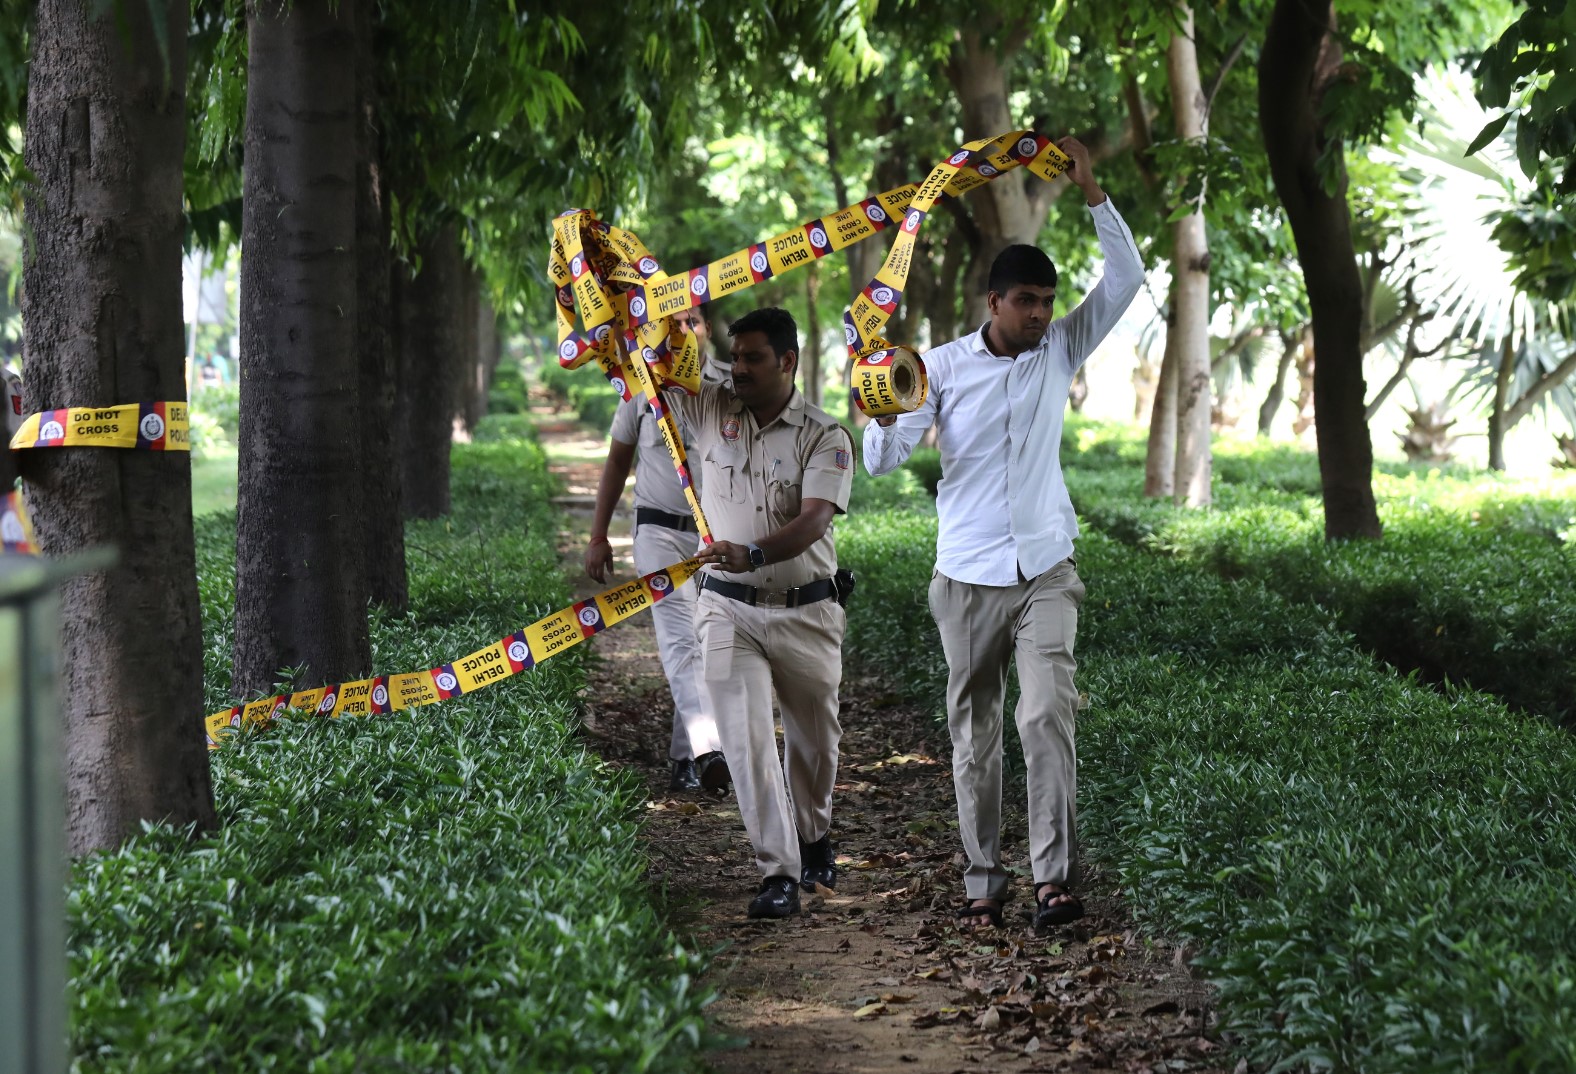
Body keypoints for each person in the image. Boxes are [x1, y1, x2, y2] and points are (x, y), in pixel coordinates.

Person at [861, 137, 1143, 931]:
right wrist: (881, 403)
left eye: (1048, 303)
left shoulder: (1061, 348)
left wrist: (1093, 193)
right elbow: (882, 462)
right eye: (1027, 302)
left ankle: (1053, 877)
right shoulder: (939, 368)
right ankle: (983, 877)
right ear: (994, 302)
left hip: (1047, 568)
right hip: (966, 576)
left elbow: (1126, 281)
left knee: (1045, 711)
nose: (1042, 315)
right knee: (975, 732)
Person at [673, 306, 854, 919]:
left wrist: (751, 552)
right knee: (748, 743)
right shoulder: (710, 408)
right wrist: (660, 313)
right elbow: (665, 362)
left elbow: (813, 521)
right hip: (727, 610)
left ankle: (813, 833)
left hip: (808, 610)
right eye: (735, 356)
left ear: (789, 361)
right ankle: (777, 869)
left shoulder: (825, 435)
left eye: (753, 358)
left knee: (814, 740)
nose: (739, 370)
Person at [585, 306, 729, 794]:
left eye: (693, 321)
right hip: (658, 535)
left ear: (708, 329)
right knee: (680, 641)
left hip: (716, 541)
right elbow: (616, 462)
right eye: (675, 321)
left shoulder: (729, 388)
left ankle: (683, 758)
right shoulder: (639, 387)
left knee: (708, 647)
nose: (684, 330)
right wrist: (598, 535)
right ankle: (711, 750)